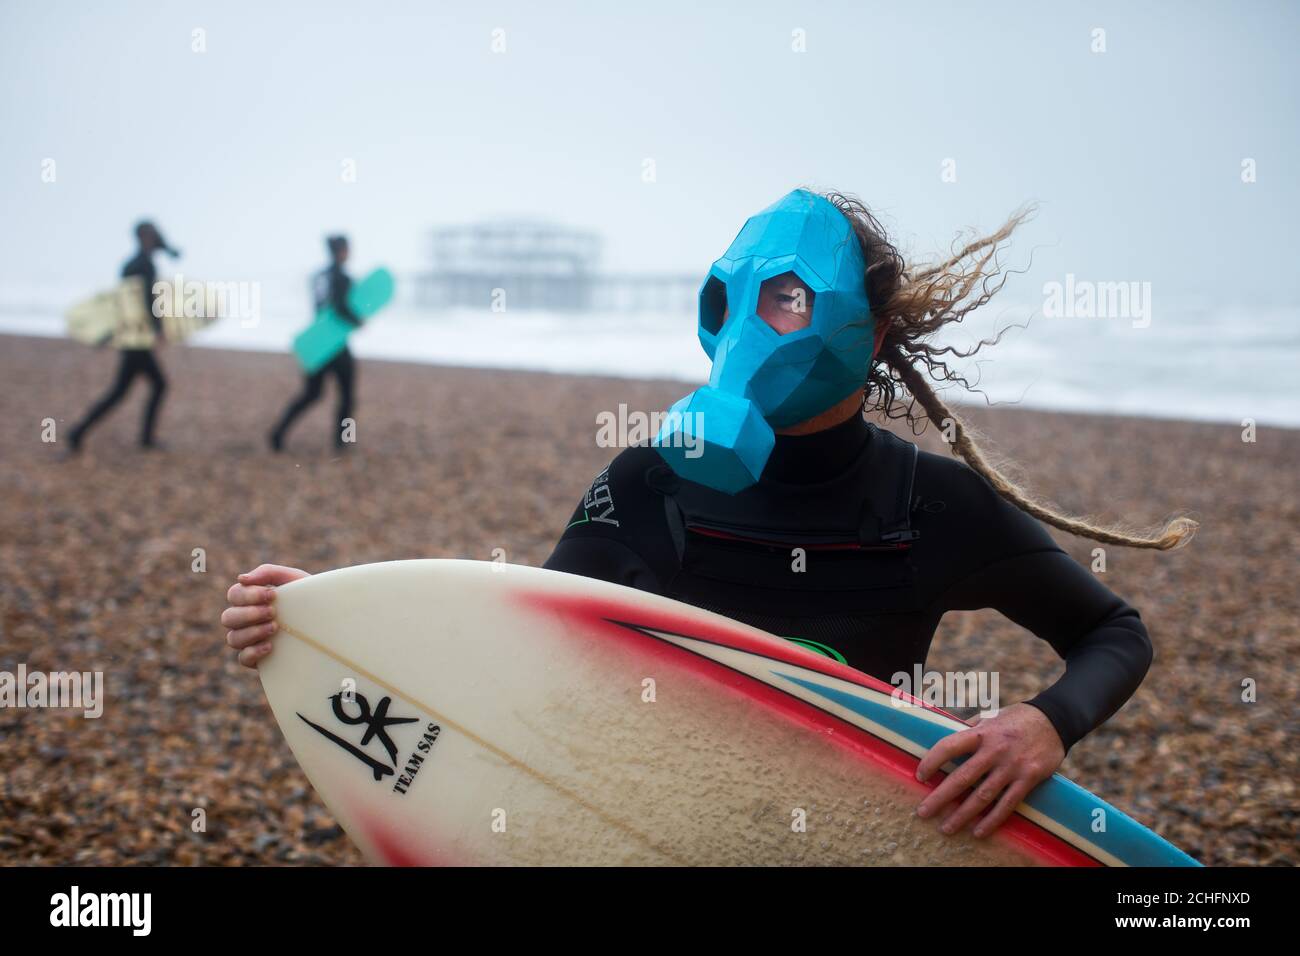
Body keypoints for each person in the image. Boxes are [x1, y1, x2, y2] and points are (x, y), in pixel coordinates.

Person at [221, 189, 1196, 840]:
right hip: (645, 825)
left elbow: (1113, 629)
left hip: (847, 834)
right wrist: (333, 620)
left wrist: (1041, 724)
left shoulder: (929, 503)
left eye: (787, 302)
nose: (748, 331)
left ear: (872, 328)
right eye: (731, 301)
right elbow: (521, 640)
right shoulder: (652, 478)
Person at [69, 220, 179, 451]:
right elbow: (149, 299)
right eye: (152, 234)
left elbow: (120, 302)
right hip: (137, 337)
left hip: (132, 334)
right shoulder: (144, 265)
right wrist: (159, 329)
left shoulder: (131, 264)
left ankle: (80, 432)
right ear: (144, 237)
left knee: (126, 390)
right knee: (153, 386)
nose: (156, 237)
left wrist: (110, 332)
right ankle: (143, 440)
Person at [269, 235, 362, 451]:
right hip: (336, 345)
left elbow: (322, 306)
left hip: (316, 344)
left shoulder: (319, 277)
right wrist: (357, 320)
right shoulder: (343, 278)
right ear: (341, 251)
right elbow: (340, 308)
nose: (349, 253)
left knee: (311, 394)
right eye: (348, 249)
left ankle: (277, 433)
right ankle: (344, 442)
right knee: (347, 397)